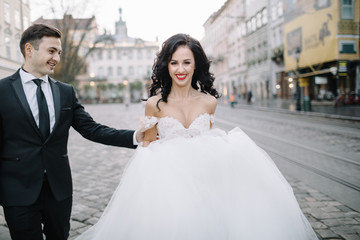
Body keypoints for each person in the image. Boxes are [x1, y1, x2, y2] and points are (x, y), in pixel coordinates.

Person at [76, 34, 318, 239]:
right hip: (169, 187)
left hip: (208, 183)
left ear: (195, 65)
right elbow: (148, 148)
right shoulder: (153, 105)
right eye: (174, 63)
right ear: (166, 66)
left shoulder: (210, 102)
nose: (180, 69)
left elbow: (209, 142)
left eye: (186, 62)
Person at [0, 24, 144, 240]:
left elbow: (91, 128)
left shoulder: (65, 91)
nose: (56, 58)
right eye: (51, 51)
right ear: (29, 50)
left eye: (59, 52)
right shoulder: (2, 91)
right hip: (18, 191)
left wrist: (134, 136)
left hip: (59, 191)